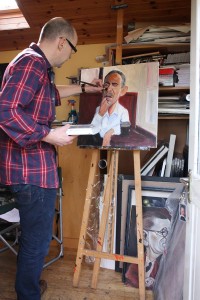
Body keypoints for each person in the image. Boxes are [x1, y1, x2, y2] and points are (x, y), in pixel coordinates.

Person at [0, 17, 102, 300]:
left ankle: (28, 288)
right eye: (73, 49)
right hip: (29, 171)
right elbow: (5, 110)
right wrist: (49, 135)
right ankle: (27, 294)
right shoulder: (32, 63)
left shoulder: (34, 65)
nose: (70, 54)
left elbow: (51, 94)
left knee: (35, 238)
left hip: (31, 169)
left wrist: (85, 89)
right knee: (37, 241)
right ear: (61, 41)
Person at [78, 70, 130, 148]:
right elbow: (93, 130)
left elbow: (125, 131)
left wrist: (110, 132)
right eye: (106, 85)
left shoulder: (123, 112)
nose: (109, 89)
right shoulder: (99, 109)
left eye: (114, 84)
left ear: (123, 91)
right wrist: (100, 114)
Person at [125, 207, 171, 289]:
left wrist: (154, 284)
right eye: (163, 232)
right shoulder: (135, 265)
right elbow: (129, 281)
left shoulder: (169, 263)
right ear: (145, 236)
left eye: (169, 232)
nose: (167, 237)